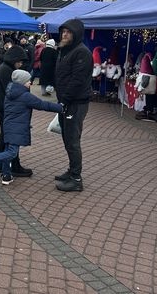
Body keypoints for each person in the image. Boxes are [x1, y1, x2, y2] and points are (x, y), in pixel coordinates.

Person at [0, 70, 63, 184]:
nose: (31, 82)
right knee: (12, 152)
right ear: (21, 82)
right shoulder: (25, 96)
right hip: (16, 128)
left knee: (8, 150)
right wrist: (60, 108)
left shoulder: (9, 93)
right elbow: (43, 105)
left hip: (9, 126)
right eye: (28, 80)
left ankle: (6, 175)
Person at [54, 19, 93, 192]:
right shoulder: (65, 51)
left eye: (68, 32)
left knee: (72, 140)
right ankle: (71, 171)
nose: (64, 34)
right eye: (63, 31)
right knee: (67, 138)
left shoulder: (81, 53)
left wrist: (65, 99)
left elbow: (77, 80)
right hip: (66, 102)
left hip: (75, 103)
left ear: (76, 34)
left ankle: (76, 178)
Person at [0, 44, 32, 176]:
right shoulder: (7, 70)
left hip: (2, 105)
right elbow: (14, 91)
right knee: (10, 135)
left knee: (6, 134)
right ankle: (9, 164)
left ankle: (1, 162)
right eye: (19, 61)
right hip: (5, 107)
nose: (20, 64)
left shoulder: (5, 67)